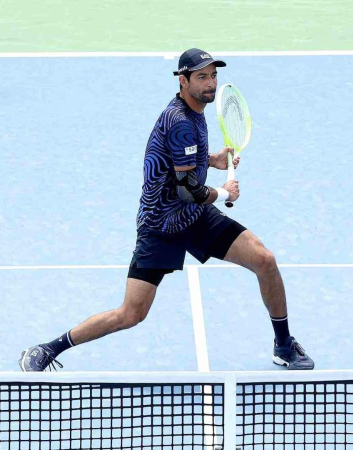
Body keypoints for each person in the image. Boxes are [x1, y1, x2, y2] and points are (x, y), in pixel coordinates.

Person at [19, 48, 314, 371]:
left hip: (194, 217)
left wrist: (211, 160)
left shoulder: (195, 112)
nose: (210, 83)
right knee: (131, 314)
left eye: (214, 75)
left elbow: (182, 167)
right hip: (161, 226)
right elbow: (188, 190)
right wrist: (223, 191)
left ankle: (283, 345)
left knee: (264, 260)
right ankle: (49, 348)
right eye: (202, 76)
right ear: (183, 80)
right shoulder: (180, 122)